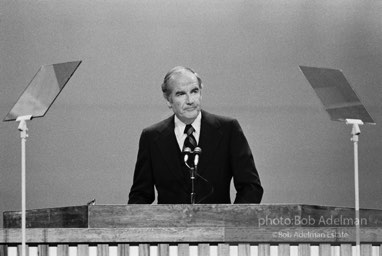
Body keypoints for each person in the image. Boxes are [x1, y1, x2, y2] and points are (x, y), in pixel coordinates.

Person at [128, 66, 263, 204]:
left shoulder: (228, 130)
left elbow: (250, 187)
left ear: (201, 94)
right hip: (171, 225)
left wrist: (232, 222)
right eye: (180, 94)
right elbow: (141, 195)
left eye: (194, 91)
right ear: (168, 100)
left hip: (218, 224)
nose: (190, 100)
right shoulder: (151, 137)